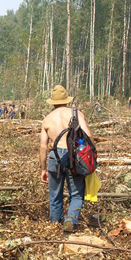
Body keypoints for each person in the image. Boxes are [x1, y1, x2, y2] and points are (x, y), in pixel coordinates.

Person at [39, 85, 93, 232]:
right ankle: (70, 219)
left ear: (53, 102)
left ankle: (54, 226)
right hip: (73, 156)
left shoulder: (47, 119)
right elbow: (88, 135)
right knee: (76, 194)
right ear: (66, 100)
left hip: (54, 157)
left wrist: (43, 168)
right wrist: (90, 157)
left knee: (55, 195)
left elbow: (43, 146)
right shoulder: (76, 114)